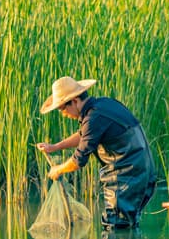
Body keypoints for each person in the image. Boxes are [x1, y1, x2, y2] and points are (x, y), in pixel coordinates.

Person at [37, 76, 156, 229]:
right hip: (143, 174)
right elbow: (84, 135)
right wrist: (55, 147)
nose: (63, 113)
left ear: (74, 101)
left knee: (114, 227)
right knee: (127, 225)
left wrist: (58, 170)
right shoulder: (104, 105)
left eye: (62, 108)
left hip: (125, 178)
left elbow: (78, 160)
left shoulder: (93, 118)